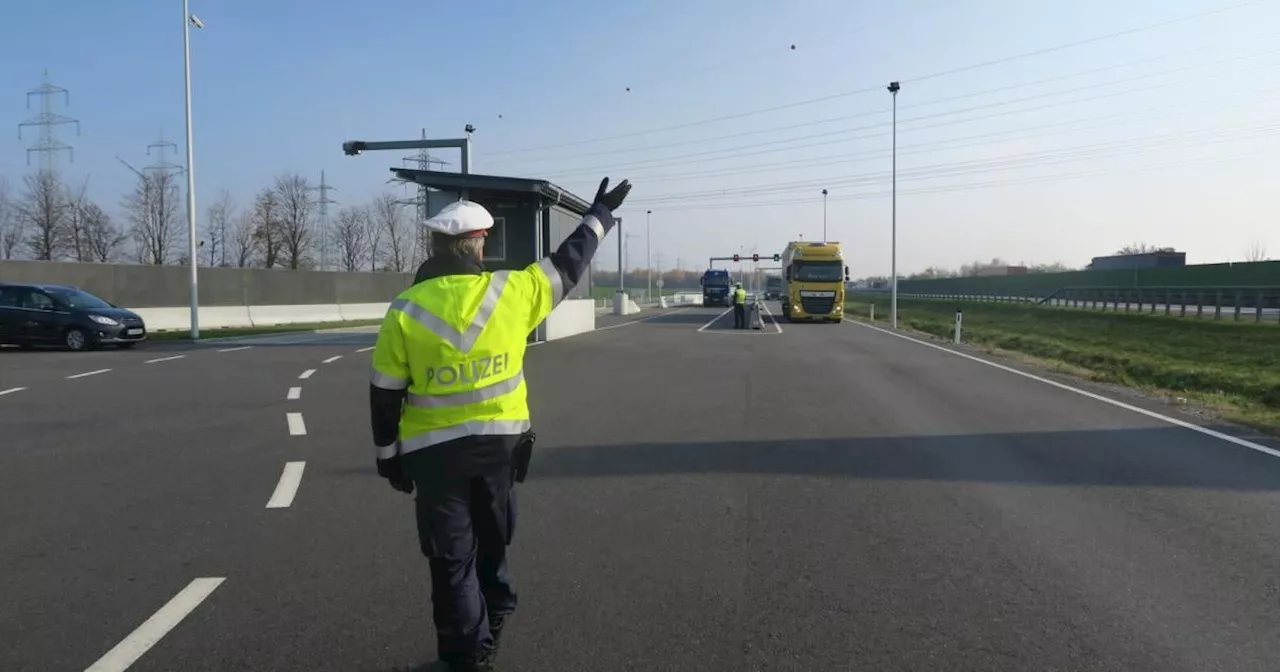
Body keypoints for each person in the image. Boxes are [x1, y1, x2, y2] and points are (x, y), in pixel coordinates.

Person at [368, 177, 631, 671]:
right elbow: (569, 264)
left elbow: (385, 394)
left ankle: (468, 654)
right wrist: (599, 214)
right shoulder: (512, 291)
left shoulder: (404, 310)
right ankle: (494, 616)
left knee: (452, 562)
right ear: (480, 243)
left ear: (436, 247)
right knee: (492, 542)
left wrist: (388, 458)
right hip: (501, 452)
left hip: (433, 456)